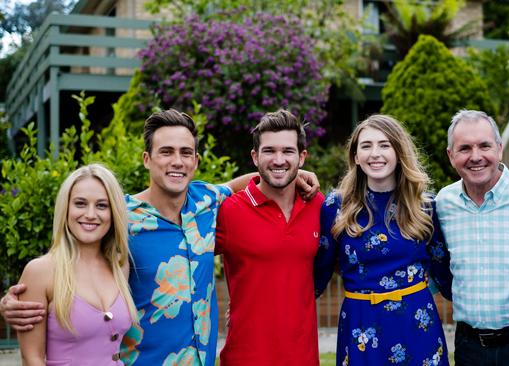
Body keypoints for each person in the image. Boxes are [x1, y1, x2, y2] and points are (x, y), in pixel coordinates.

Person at [1, 109, 319, 365]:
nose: (176, 161)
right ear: (147, 159)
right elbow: (74, 263)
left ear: (195, 161)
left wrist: (298, 174)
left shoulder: (208, 201)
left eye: (185, 153)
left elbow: (253, 181)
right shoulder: (120, 216)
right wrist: (19, 301)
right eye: (165, 152)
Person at [314, 114, 453, 366]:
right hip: (361, 325)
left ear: (399, 152)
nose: (375, 153)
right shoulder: (335, 206)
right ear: (355, 156)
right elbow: (317, 275)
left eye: (384, 145)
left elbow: (446, 274)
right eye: (366, 146)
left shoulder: (426, 206)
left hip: (416, 322)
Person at [435, 109, 509, 365]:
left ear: (499, 148)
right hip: (468, 348)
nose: (476, 157)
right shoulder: (443, 203)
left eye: (484, 146)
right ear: (450, 155)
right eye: (464, 148)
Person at [216, 109, 324, 365]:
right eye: (269, 151)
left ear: (302, 157)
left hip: (304, 357)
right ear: (255, 157)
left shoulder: (317, 205)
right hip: (245, 357)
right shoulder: (230, 210)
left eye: (288, 151)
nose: (278, 160)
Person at [17, 164, 138, 365]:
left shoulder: (119, 265)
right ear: (66, 208)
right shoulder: (40, 272)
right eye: (80, 203)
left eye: (102, 205)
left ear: (113, 212)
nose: (90, 214)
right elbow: (32, 358)